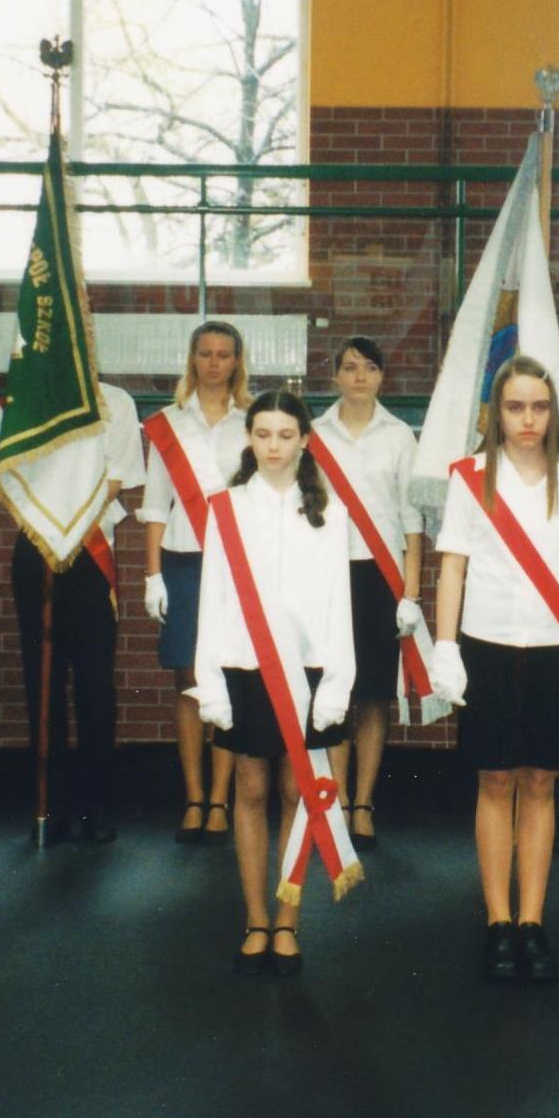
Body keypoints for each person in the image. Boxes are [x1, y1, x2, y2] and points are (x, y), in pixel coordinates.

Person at [429, 356, 559, 985]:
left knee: (540, 783)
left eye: (538, 406)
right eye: (515, 407)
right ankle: (498, 921)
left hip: (553, 648)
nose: (528, 419)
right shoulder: (471, 477)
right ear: (496, 413)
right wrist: (445, 645)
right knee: (495, 782)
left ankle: (532, 920)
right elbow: (452, 565)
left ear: (553, 412)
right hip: (487, 645)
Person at [190, 390, 357, 975]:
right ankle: (256, 917)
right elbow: (212, 599)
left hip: (307, 670)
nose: (274, 446)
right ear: (249, 439)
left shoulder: (329, 513)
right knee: (251, 789)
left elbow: (339, 604)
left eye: (286, 435)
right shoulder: (227, 508)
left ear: (305, 441)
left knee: (296, 792)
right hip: (244, 665)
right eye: (263, 434)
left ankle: (289, 918)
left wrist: (337, 682)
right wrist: (209, 680)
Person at [309, 337, 426, 849]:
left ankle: (363, 804)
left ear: (382, 376)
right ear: (335, 375)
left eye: (370, 367)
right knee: (332, 690)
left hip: (381, 577)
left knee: (375, 695)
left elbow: (411, 518)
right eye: (350, 367)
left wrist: (411, 593)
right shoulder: (314, 434)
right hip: (326, 575)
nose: (359, 376)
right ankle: (333, 802)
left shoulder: (399, 436)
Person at [15, 380, 142, 843]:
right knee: (42, 682)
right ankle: (49, 803)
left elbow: (118, 476)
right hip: (36, 546)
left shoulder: (117, 401)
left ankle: (95, 805)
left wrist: (67, 519)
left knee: (94, 683)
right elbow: (10, 473)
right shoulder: (27, 390)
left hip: (90, 546)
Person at [141, 321, 252, 843]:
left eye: (223, 354)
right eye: (205, 353)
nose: (213, 363)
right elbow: (154, 507)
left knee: (227, 677)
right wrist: (153, 576)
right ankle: (192, 797)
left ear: (237, 362)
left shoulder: (253, 422)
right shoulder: (168, 423)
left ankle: (220, 800)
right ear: (192, 359)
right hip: (183, 563)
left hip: (237, 566)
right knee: (188, 681)